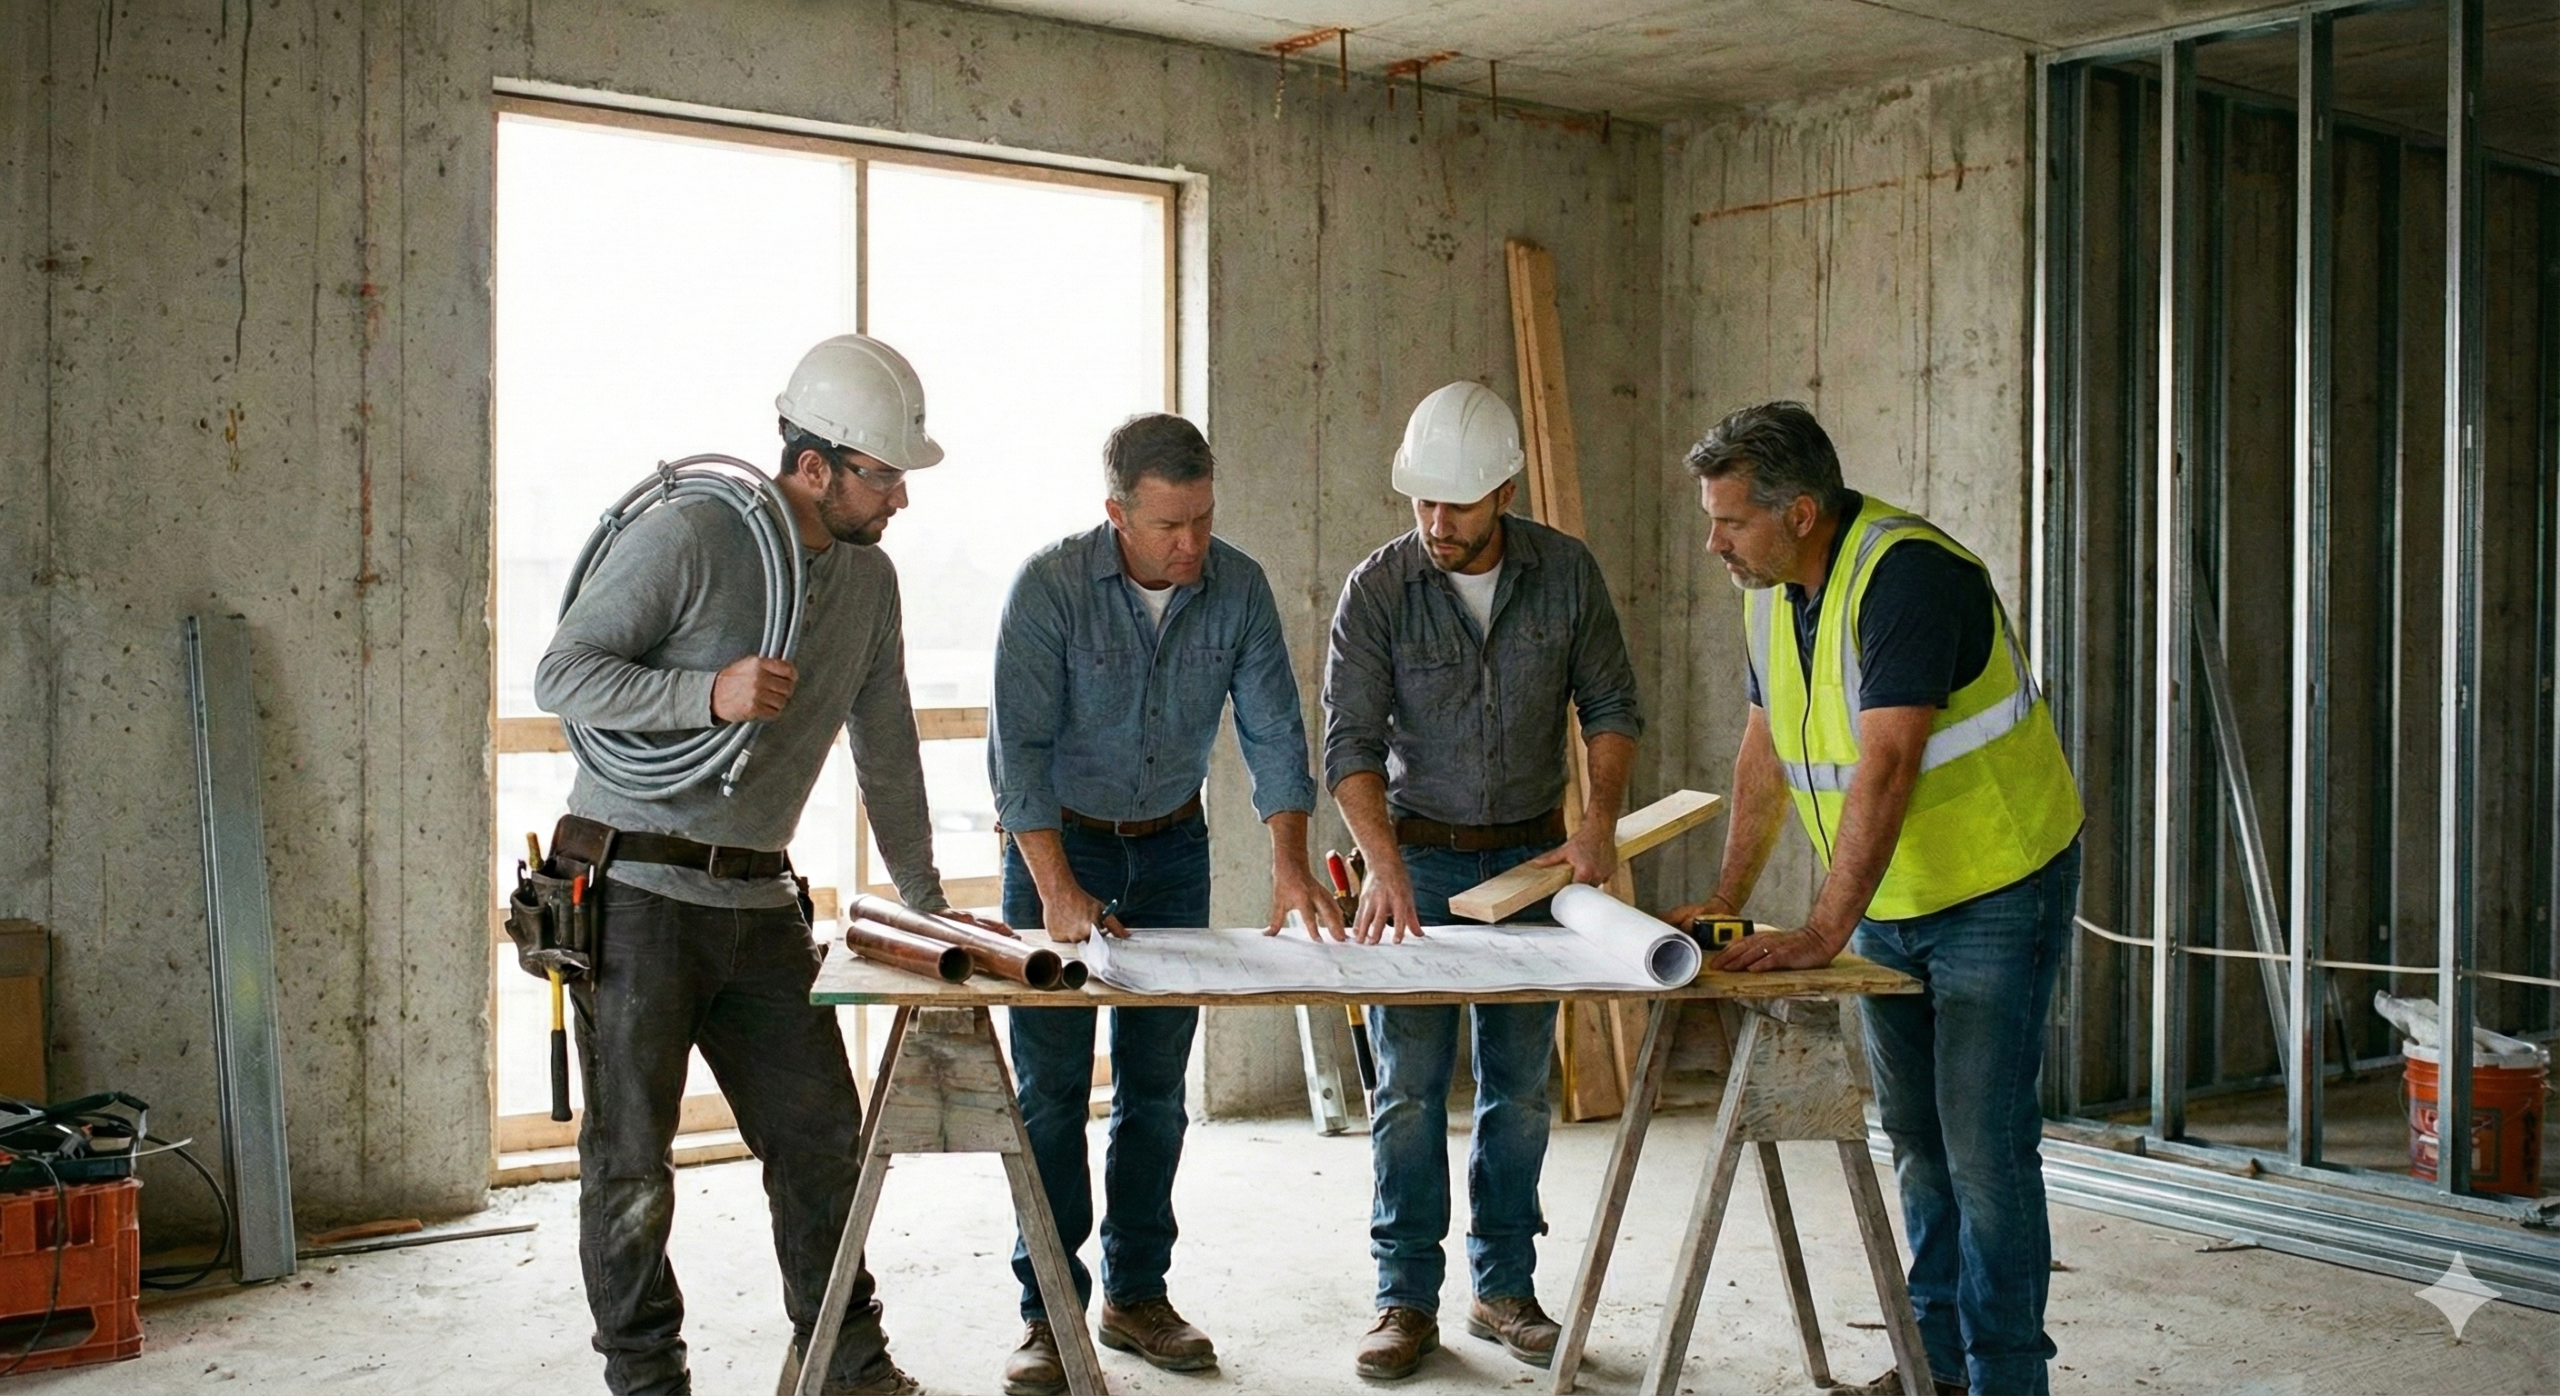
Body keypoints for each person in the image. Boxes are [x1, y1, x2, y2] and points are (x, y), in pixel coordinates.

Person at [535, 333, 984, 1396]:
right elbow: (563, 671)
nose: (899, 502)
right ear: (814, 464)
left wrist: (931, 914)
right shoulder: (692, 533)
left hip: (757, 898)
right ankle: (647, 1379)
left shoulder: (869, 586)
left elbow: (887, 744)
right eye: (883, 477)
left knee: (822, 1136)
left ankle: (845, 1358)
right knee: (632, 1162)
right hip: (635, 890)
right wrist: (708, 695)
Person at [1659, 401, 2085, 1396]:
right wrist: (1727, 898)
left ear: (1800, 511)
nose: (1713, 541)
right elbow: (1765, 746)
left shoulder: (1910, 577)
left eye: (1730, 521)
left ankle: (2008, 1379)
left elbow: (1887, 764)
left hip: (1995, 886)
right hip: (1892, 896)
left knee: (1983, 1153)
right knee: (1918, 1146)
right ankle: (1932, 1363)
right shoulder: (1767, 589)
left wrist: (1819, 930)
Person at [985, 412, 1342, 1396]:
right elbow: (1015, 749)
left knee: (1154, 1087)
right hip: (1056, 847)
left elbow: (1273, 727)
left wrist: (1288, 862)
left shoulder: (1237, 588)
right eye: (1170, 526)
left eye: (1204, 519)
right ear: (1116, 515)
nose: (1192, 545)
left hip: (1174, 852)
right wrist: (1055, 888)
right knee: (1051, 1091)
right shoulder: (1050, 587)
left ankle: (1136, 1294)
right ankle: (1047, 1312)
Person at [1321, 381, 1644, 1381]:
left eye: (1457, 504)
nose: (1436, 523)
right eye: (1422, 502)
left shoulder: (1566, 573)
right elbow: (1346, 744)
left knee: (1518, 1086)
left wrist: (1593, 825)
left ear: (1504, 488)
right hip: (1410, 851)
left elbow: (1611, 705)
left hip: (1533, 858)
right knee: (1409, 1090)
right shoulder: (1378, 588)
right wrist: (1380, 866)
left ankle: (1503, 1288)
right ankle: (1402, 1298)